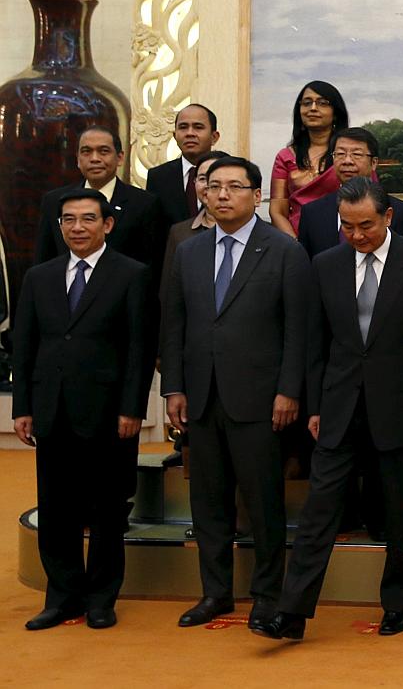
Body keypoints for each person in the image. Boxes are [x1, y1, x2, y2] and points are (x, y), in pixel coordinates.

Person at [253, 178, 403, 641]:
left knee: (400, 512)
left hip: (399, 404)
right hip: (339, 405)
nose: (356, 235)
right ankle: (292, 613)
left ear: (388, 217)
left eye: (365, 225)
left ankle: (397, 604)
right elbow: (316, 343)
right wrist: (316, 405)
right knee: (319, 512)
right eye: (347, 226)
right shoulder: (325, 264)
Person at [161, 156, 314, 631]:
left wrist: (290, 390)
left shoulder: (284, 249)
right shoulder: (188, 251)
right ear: (203, 194)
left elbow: (298, 330)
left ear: (257, 194)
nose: (223, 194)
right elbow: (175, 324)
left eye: (235, 186)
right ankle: (215, 593)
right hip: (201, 397)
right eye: (215, 186)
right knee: (207, 503)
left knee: (263, 504)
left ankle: (267, 596)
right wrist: (174, 388)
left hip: (262, 399)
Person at [11, 189, 150, 631]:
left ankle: (101, 598)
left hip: (110, 412)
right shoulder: (39, 276)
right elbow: (25, 346)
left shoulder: (132, 275)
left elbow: (138, 349)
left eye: (88, 219)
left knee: (108, 509)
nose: (77, 227)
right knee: (56, 509)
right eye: (68, 219)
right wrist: (23, 407)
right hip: (51, 409)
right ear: (59, 226)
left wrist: (133, 407)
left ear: (107, 225)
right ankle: (62, 596)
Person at [36, 126, 164, 271]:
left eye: (103, 151)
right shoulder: (54, 201)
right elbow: (43, 261)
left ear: (120, 157)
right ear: (78, 159)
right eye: (86, 152)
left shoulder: (144, 203)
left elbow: (151, 265)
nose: (94, 159)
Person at [296, 128, 403, 257]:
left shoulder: (401, 212)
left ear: (374, 163)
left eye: (357, 154)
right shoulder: (312, 213)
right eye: (340, 154)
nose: (347, 161)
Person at [269, 80, 348, 238]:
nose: (312, 108)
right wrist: (295, 245)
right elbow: (277, 210)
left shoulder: (348, 154)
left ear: (336, 113)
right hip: (297, 238)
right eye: (306, 103)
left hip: (344, 238)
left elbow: (368, 198)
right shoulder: (285, 156)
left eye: (322, 103)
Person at [145, 103, 222, 225]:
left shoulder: (230, 173)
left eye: (198, 127)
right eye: (183, 127)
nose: (189, 133)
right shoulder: (158, 176)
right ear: (175, 136)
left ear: (214, 137)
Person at [161, 151, 230, 281]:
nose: (209, 186)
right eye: (203, 179)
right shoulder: (179, 233)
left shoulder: (262, 234)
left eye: (217, 179)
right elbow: (170, 291)